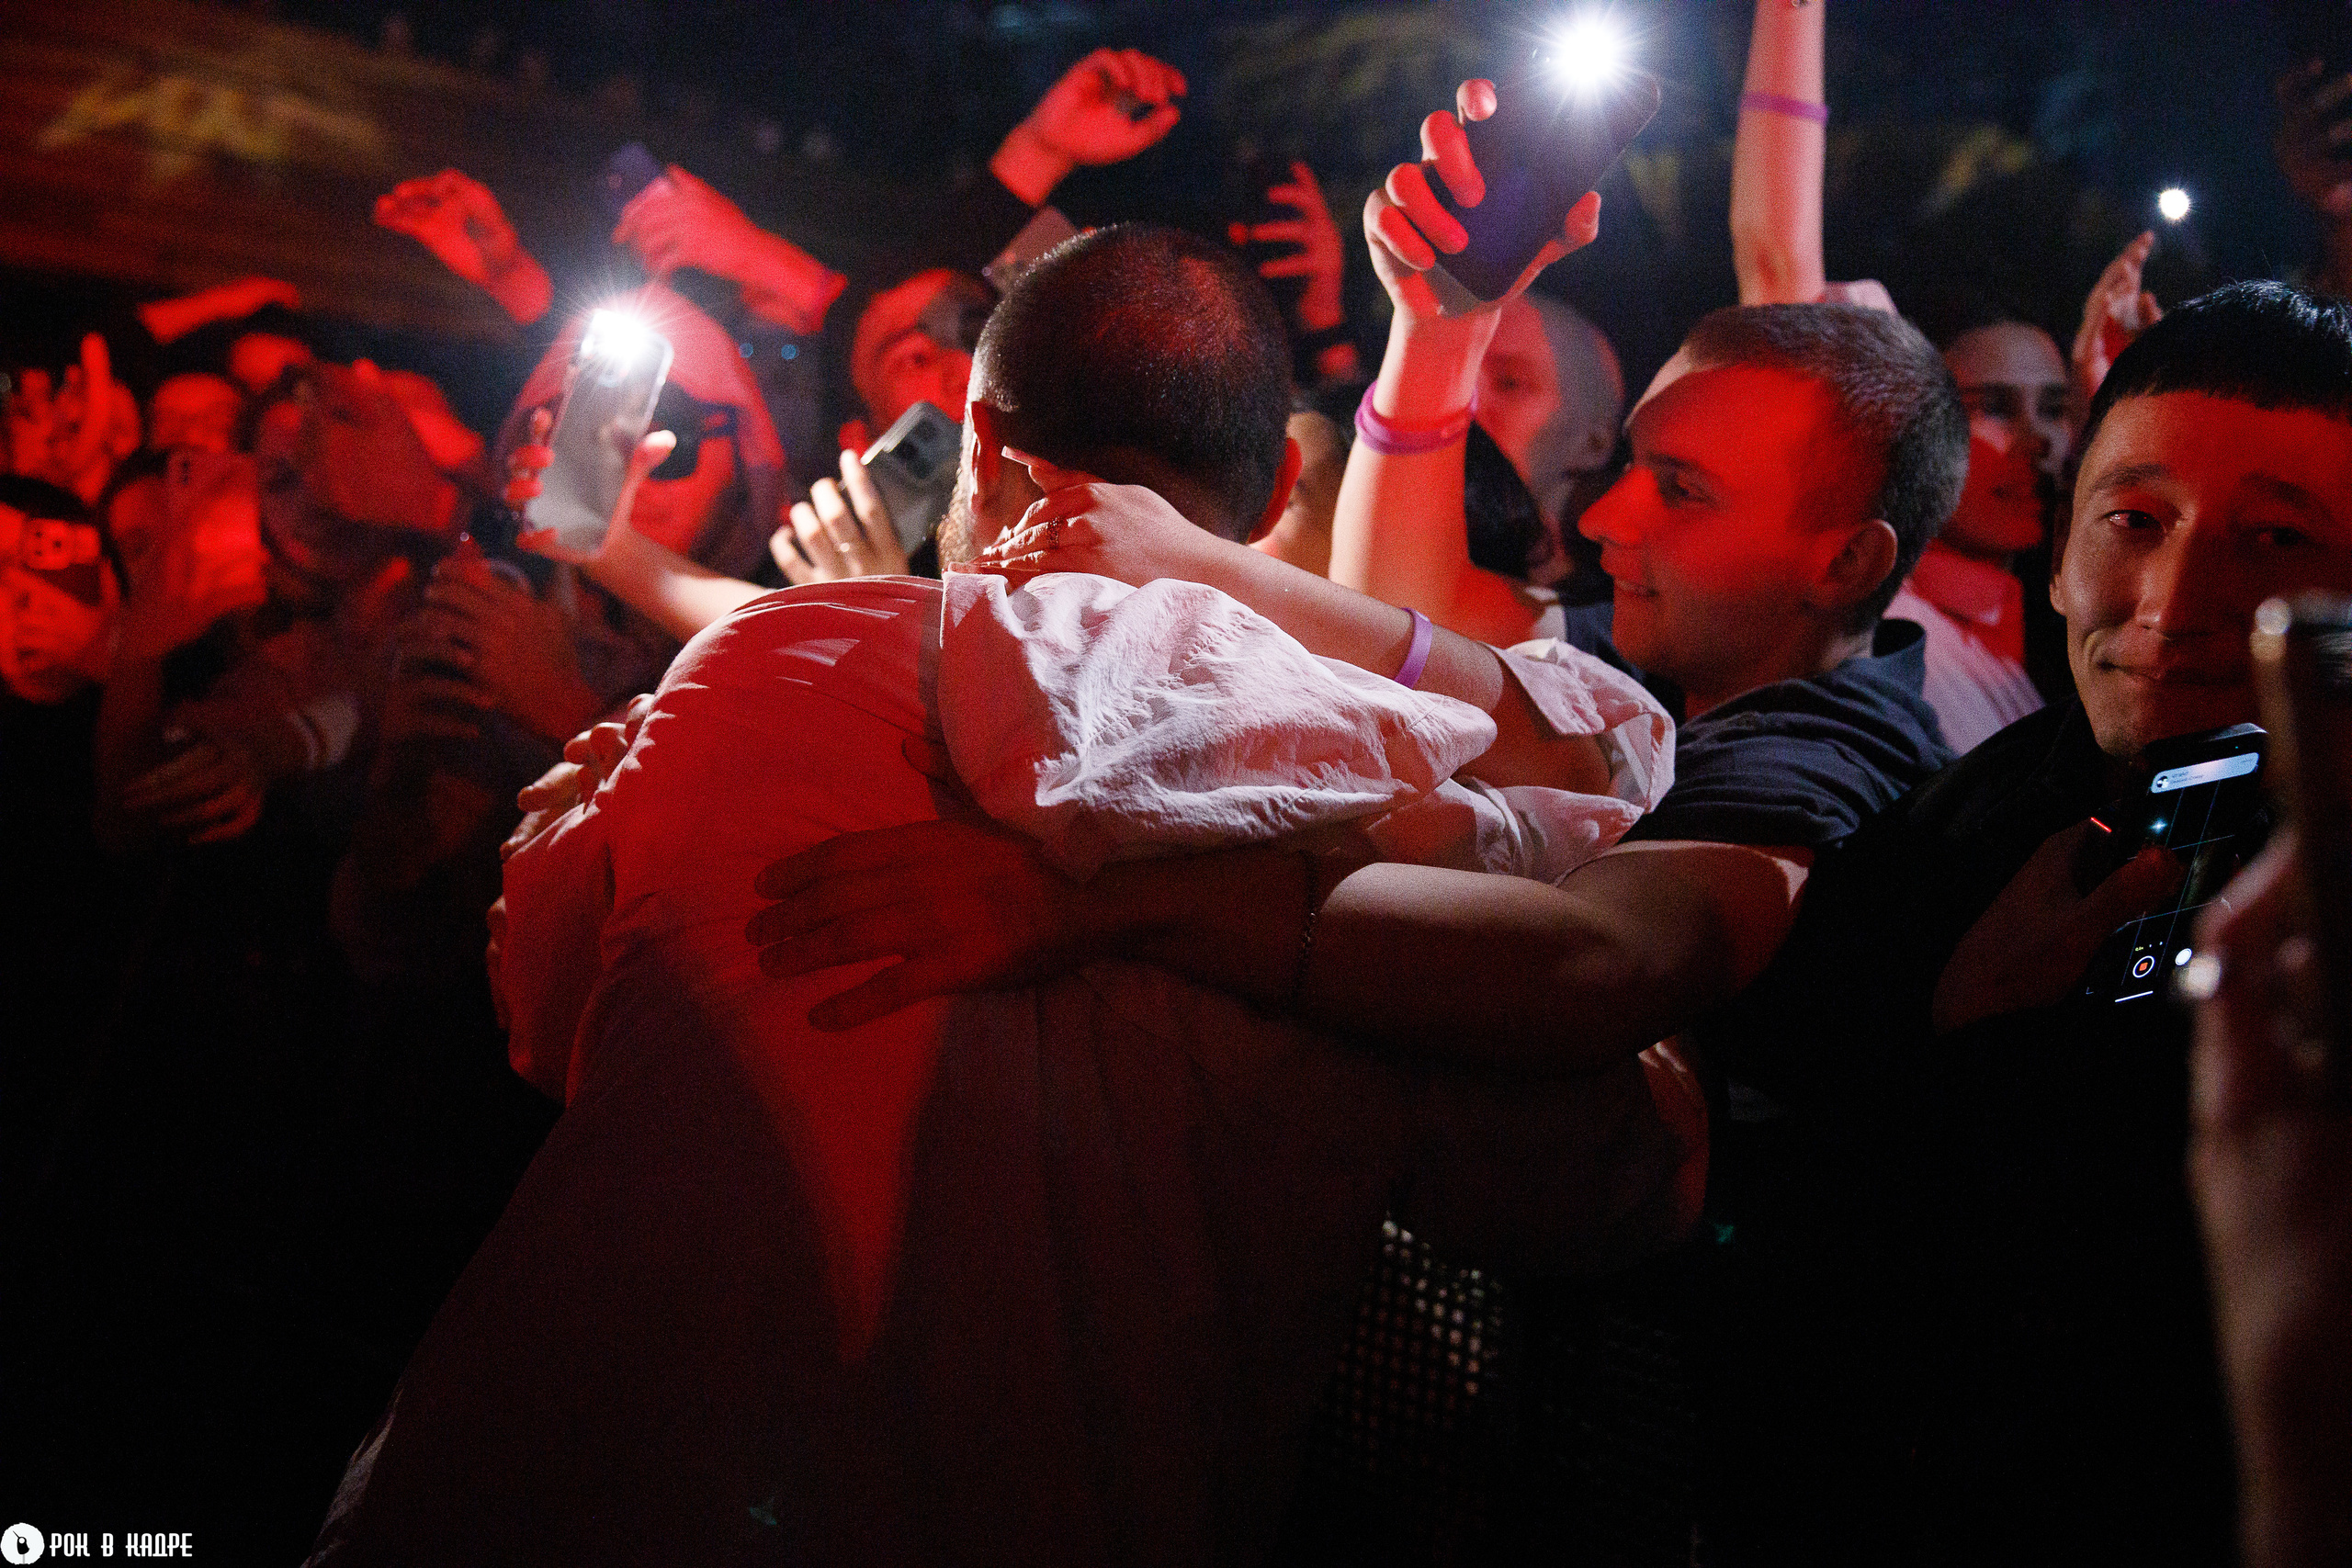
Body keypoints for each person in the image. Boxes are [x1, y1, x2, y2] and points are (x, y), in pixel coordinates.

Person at [310, 222, 1693, 1566]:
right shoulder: (1362, 776)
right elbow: (1612, 778)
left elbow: (544, 1022)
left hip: (542, 1499)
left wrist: (578, 800)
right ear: (1275, 494)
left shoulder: (760, 665)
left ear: (977, 441)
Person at [1709, 281, 2352, 1564]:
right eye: (2135, 520)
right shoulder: (1940, 835)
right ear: (2060, 554)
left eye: (2275, 543)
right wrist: (1956, 1034)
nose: (2177, 597)